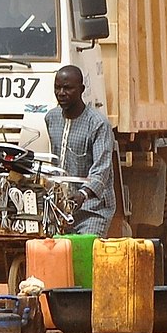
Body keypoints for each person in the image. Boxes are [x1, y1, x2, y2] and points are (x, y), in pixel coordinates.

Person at [41, 65, 117, 237]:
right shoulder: (51, 119)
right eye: (57, 88)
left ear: (81, 89)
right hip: (60, 209)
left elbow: (102, 169)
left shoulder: (98, 124)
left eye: (67, 88)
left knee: (84, 256)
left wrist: (83, 193)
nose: (61, 93)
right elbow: (54, 163)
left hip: (93, 210)